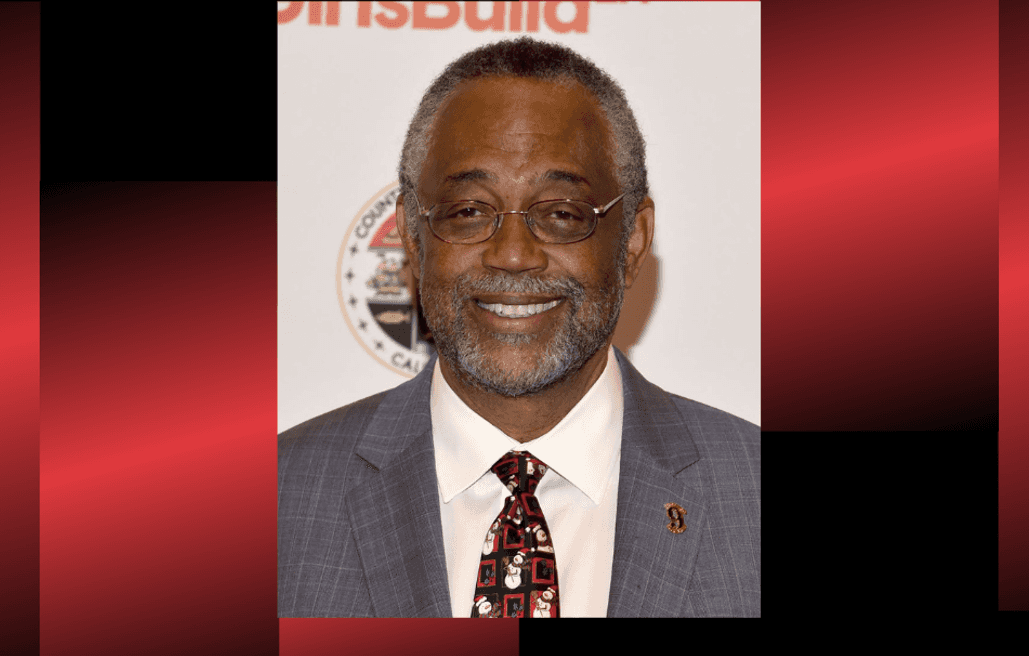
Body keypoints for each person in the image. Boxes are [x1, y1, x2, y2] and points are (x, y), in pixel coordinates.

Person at [279, 37, 760, 618]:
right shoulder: (279, 497)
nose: (512, 255)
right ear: (410, 236)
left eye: (561, 214)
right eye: (468, 212)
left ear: (632, 238)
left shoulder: (749, 490)